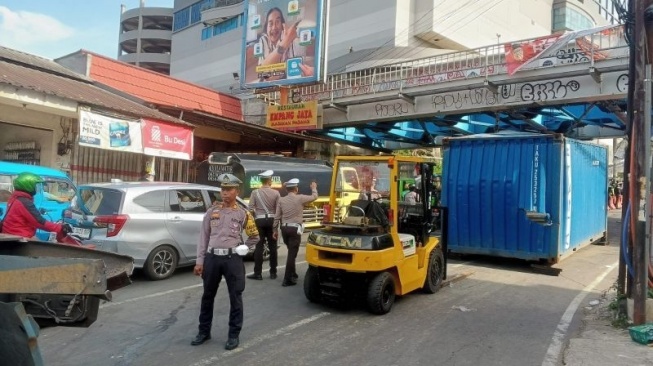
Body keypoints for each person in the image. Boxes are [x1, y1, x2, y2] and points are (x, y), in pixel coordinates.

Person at [191, 173, 258, 351]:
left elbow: (254, 236)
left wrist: (244, 248)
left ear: (237, 191)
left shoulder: (244, 214)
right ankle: (203, 332)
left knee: (235, 297)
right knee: (207, 297)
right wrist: (200, 261)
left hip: (232, 259)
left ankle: (233, 335)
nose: (225, 193)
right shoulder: (212, 212)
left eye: (229, 189)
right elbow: (203, 238)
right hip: (212, 258)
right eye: (223, 189)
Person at [274, 178, 317, 287]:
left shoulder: (281, 200)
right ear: (296, 189)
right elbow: (314, 197)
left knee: (291, 251)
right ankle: (287, 279)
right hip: (294, 229)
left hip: (284, 229)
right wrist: (314, 188)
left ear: (287, 189)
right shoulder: (300, 198)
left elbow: (277, 216)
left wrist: (274, 229)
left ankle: (293, 273)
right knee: (292, 254)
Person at [1, 172, 69, 240]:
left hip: (12, 234)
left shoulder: (15, 198)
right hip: (19, 238)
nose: (35, 188)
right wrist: (60, 228)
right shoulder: (24, 202)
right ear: (28, 186)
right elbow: (39, 222)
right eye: (35, 186)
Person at [257, 7, 314, 79]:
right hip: (268, 88)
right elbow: (264, 75)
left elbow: (294, 73)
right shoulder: (264, 39)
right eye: (270, 24)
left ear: (282, 25)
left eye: (277, 22)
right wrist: (285, 42)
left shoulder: (294, 41)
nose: (274, 27)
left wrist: (288, 39)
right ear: (266, 28)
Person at [247, 170, 280, 280]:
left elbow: (250, 209)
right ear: (269, 181)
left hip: (259, 221)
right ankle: (273, 272)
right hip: (272, 220)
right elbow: (278, 210)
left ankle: (258, 273)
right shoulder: (276, 193)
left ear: (261, 181)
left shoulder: (255, 192)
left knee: (259, 247)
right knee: (273, 247)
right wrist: (276, 225)